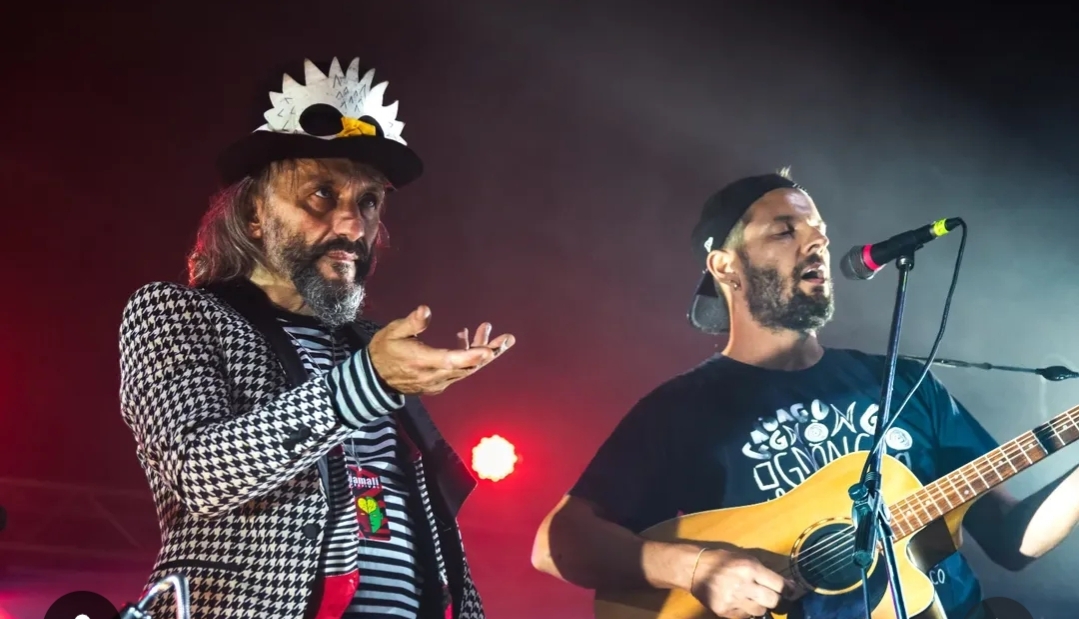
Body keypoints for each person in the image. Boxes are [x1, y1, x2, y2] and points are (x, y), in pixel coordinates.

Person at [530, 170, 1079, 619]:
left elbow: (1012, 539)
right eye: (784, 231)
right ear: (725, 266)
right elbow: (558, 543)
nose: (816, 241)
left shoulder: (905, 383)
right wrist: (696, 569)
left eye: (818, 230)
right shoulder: (680, 411)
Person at [119, 57, 514, 619]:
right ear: (254, 213)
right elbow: (199, 472)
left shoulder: (369, 347)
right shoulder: (177, 314)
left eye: (368, 202)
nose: (353, 226)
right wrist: (367, 382)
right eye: (322, 195)